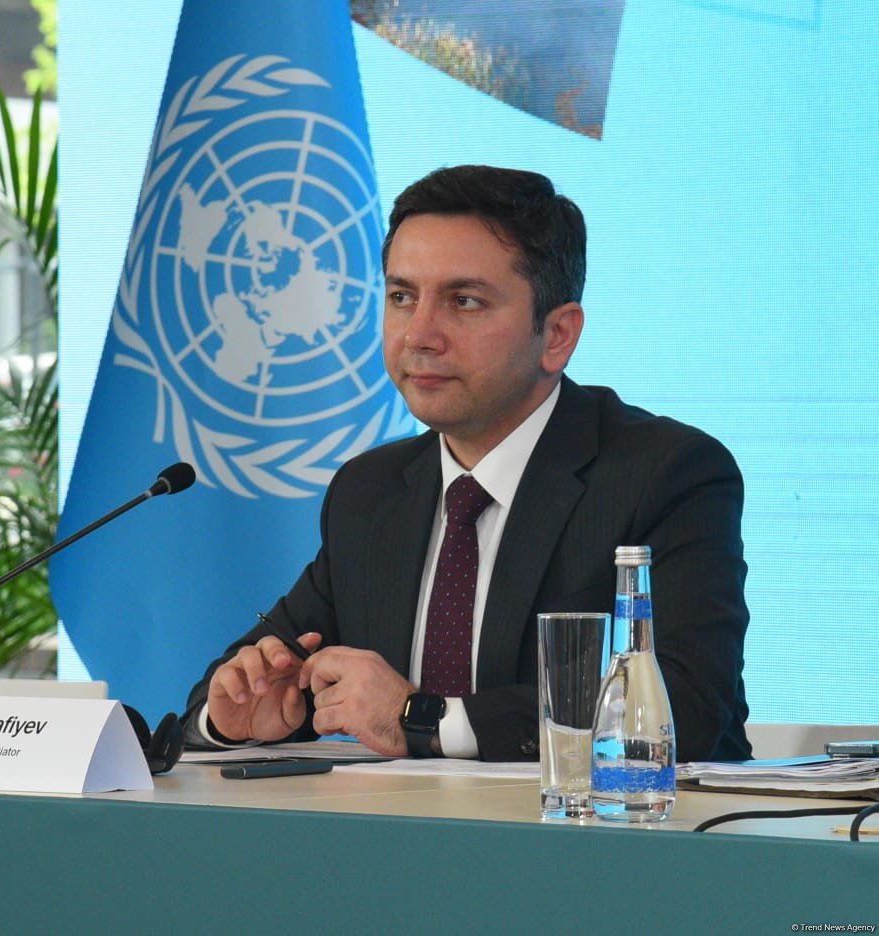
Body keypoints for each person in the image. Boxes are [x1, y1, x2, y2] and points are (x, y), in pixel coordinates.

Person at [181, 164, 751, 762]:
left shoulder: (665, 474)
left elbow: (683, 704)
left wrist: (423, 718)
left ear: (557, 334)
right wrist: (235, 719)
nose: (419, 335)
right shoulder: (369, 491)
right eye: (402, 297)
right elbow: (250, 680)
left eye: (465, 301)